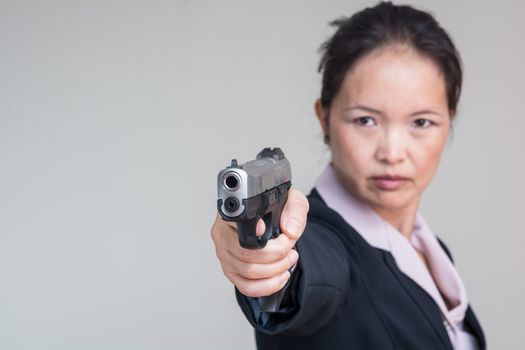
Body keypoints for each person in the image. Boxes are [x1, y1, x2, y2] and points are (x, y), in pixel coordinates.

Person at [210, 2, 485, 349]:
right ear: (324, 118)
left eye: (421, 122)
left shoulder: (430, 248)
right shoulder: (320, 242)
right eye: (365, 120)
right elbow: (313, 270)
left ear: (449, 120)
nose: (392, 152)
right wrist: (269, 253)